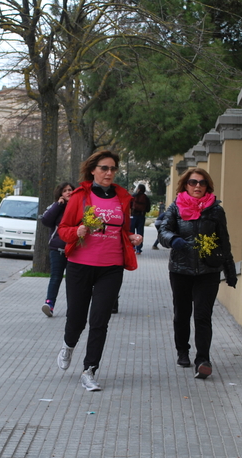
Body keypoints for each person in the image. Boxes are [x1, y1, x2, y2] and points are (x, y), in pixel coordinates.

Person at [55, 150, 143, 391]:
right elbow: (63, 229)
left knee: (100, 320)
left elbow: (122, 229)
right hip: (80, 265)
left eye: (113, 168)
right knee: (77, 317)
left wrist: (132, 237)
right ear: (92, 170)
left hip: (111, 267)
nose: (109, 173)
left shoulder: (122, 197)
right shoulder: (79, 197)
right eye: (104, 168)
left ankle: (89, 370)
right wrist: (77, 231)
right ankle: (68, 344)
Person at [158, 168, 237, 379]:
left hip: (208, 270)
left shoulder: (215, 211)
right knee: (181, 314)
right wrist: (173, 239)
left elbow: (224, 241)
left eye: (202, 183)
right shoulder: (175, 206)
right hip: (180, 269)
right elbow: (163, 229)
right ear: (185, 185)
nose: (197, 186)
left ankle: (203, 359)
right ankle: (182, 350)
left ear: (207, 187)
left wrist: (230, 271)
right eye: (193, 182)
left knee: (203, 315)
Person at [40, 181, 75, 317]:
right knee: (56, 277)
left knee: (72, 280)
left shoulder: (78, 207)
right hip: (57, 249)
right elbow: (46, 220)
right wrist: (58, 205)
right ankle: (49, 304)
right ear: (60, 193)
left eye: (70, 190)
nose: (68, 192)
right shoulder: (56, 207)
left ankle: (72, 308)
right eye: (65, 190)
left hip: (74, 249)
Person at [130, 183, 151, 254]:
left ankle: (132, 247)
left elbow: (129, 205)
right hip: (141, 216)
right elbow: (148, 209)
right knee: (140, 232)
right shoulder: (146, 198)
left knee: (131, 232)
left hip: (133, 216)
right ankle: (139, 249)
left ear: (138, 189)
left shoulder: (133, 196)